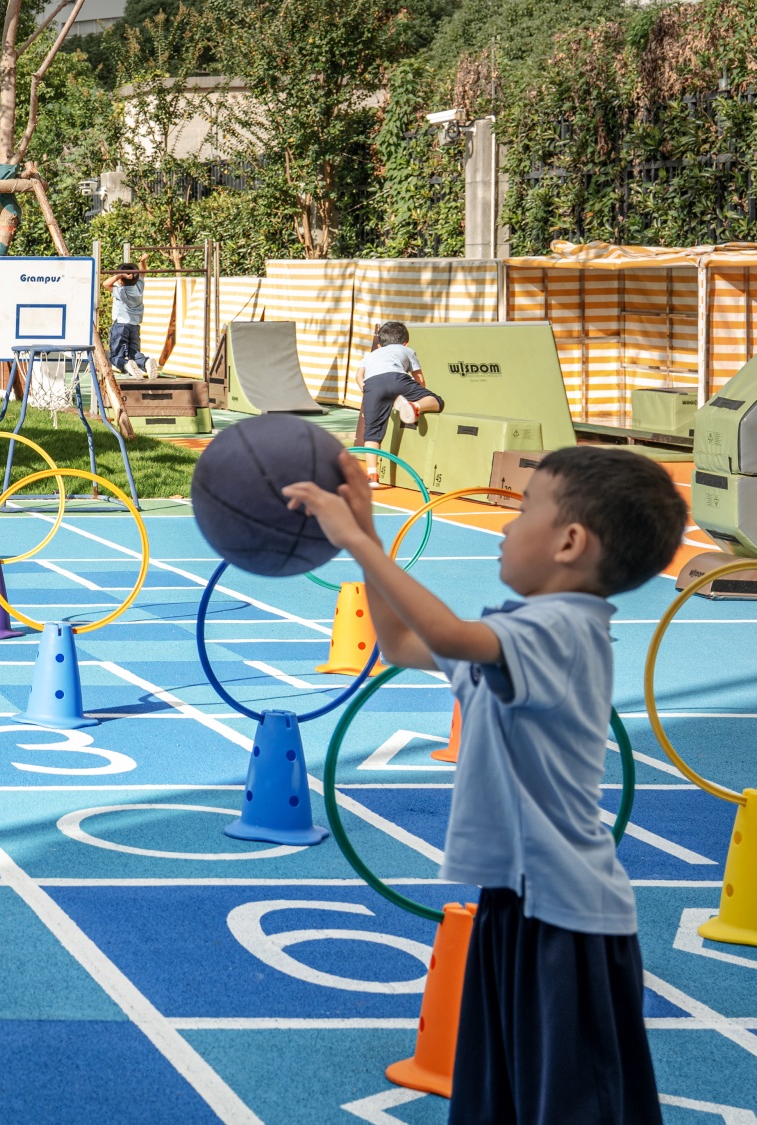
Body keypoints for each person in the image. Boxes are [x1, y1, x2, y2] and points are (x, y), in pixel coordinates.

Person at [284, 445, 685, 1125]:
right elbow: (404, 643)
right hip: (517, 902)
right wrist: (369, 541)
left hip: (566, 915)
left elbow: (441, 629)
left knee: (571, 1107)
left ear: (569, 541)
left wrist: (355, 537)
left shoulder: (562, 630)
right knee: (503, 1095)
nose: (505, 524)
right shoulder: (520, 632)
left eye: (523, 509)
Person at [357, 321, 443, 488]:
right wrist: (417, 396)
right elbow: (420, 380)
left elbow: (359, 376)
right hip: (398, 378)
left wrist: (365, 390)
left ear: (380, 344)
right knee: (437, 401)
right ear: (406, 343)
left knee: (372, 432)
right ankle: (415, 406)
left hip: (372, 384)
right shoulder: (407, 350)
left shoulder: (371, 354)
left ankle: (372, 476)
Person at [102, 262, 148, 377]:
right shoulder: (139, 287)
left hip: (121, 326)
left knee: (116, 356)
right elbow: (142, 273)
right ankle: (145, 362)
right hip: (134, 326)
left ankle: (126, 364)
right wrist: (142, 262)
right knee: (134, 353)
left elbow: (105, 284)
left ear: (121, 280)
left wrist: (119, 275)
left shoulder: (122, 292)